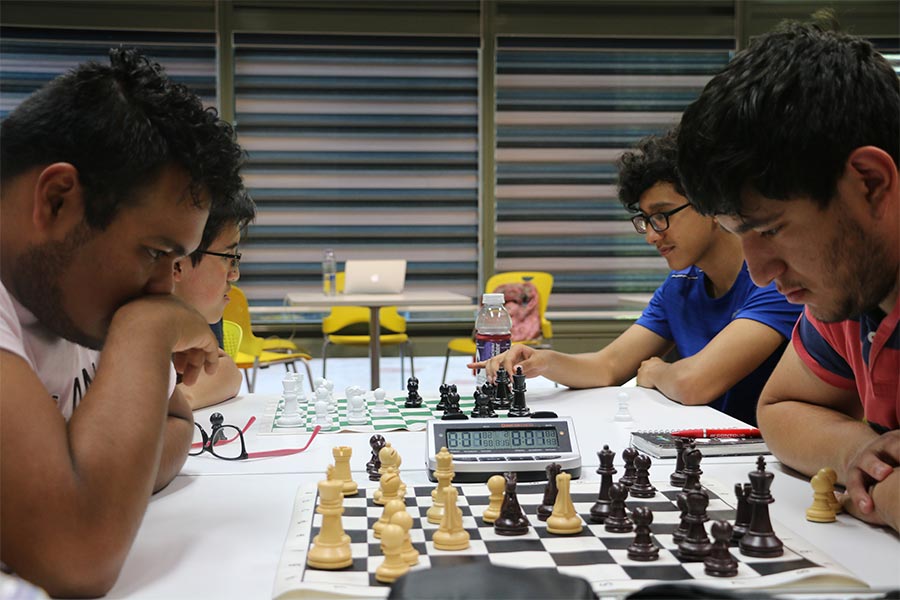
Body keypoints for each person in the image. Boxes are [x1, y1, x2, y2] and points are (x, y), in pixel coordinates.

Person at [0, 48, 247, 595]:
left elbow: (177, 423)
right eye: (155, 251)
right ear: (58, 199)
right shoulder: (112, 310)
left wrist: (89, 476)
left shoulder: (67, 297)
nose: (166, 286)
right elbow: (76, 554)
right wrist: (148, 329)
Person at [676, 18, 899, 531]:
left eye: (771, 230)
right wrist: (858, 452)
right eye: (739, 235)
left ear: (869, 183)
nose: (760, 272)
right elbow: (779, 408)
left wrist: (883, 496)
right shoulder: (853, 285)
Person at [474, 131, 801, 425]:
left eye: (662, 216)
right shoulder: (681, 285)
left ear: (711, 203)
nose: (651, 236)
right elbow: (609, 366)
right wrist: (542, 361)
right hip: (706, 449)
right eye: (645, 220)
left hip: (763, 463)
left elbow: (694, 383)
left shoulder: (774, 280)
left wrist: (657, 370)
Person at [173, 193, 256, 409]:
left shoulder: (200, 315)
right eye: (228, 258)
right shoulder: (122, 325)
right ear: (178, 263)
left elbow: (228, 374)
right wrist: (182, 400)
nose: (234, 275)